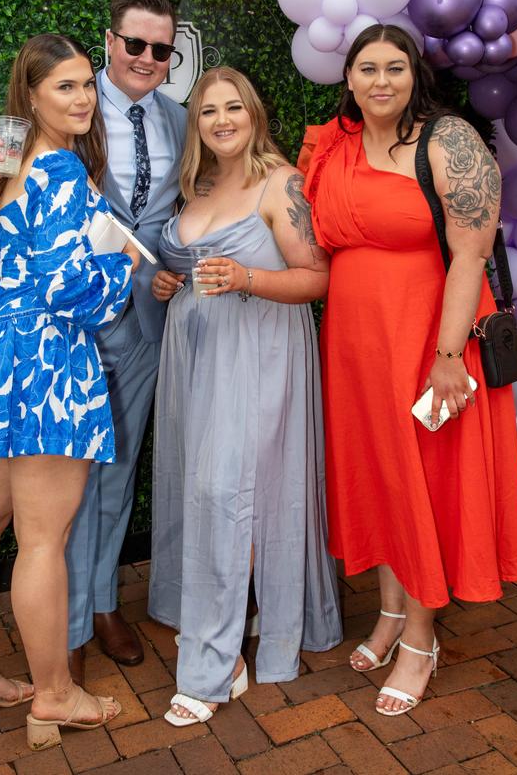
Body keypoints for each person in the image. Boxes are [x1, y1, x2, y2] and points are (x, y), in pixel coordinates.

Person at [299, 24, 517, 717]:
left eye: (394, 68)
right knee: (376, 469)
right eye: (367, 68)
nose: (380, 81)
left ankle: (423, 637)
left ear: (414, 76)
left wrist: (445, 357)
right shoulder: (334, 144)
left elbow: (469, 256)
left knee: (423, 476)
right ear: (347, 76)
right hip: (354, 342)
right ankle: (392, 610)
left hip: (426, 335)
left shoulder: (448, 140)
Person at [0, 0, 188, 682]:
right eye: (135, 44)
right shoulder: (42, 124)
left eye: (161, 49)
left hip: (142, 321)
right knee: (49, 507)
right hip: (66, 331)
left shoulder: (179, 117)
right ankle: (67, 631)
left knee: (111, 478)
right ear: (110, 41)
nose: (147, 58)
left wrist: (171, 269)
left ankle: (102, 602)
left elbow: (187, 209)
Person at [0, 33, 138, 750]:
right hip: (47, 361)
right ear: (32, 96)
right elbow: (73, 293)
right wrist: (119, 262)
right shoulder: (58, 171)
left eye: (88, 84)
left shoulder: (11, 159)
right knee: (42, 540)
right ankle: (53, 694)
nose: (83, 97)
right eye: (66, 87)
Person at [148, 66, 343, 726]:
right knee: (201, 489)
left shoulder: (281, 182)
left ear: (253, 114)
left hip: (256, 357)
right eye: (209, 111)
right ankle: (222, 618)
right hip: (195, 356)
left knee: (227, 493)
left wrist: (249, 276)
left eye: (234, 108)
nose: (222, 120)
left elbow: (317, 278)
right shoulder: (198, 184)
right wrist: (168, 285)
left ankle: (218, 661)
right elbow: (187, 264)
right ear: (195, 123)